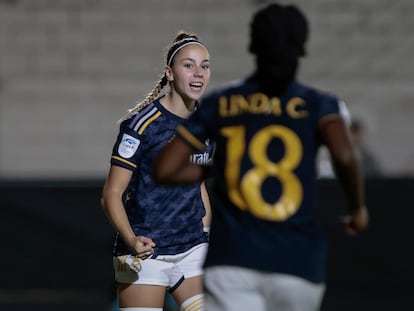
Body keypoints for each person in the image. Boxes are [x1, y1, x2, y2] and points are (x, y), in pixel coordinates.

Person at [152, 3, 369, 311]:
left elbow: (165, 168)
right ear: (303, 50)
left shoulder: (221, 103)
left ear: (252, 46)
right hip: (298, 261)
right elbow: (345, 157)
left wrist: (224, 168)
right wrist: (357, 209)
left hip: (232, 261)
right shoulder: (319, 105)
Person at [101, 31, 213, 311]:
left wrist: (208, 232)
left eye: (205, 65)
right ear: (170, 73)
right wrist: (131, 240)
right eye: (188, 65)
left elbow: (198, 184)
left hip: (192, 248)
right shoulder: (142, 125)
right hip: (147, 252)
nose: (198, 72)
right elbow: (111, 194)